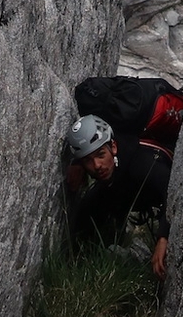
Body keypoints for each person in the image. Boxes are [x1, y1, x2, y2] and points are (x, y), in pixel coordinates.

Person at [65, 112, 172, 278]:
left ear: (113, 147)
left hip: (154, 188)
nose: (97, 165)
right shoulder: (108, 172)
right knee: (84, 216)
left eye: (101, 155)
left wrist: (163, 237)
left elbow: (170, 192)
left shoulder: (143, 165)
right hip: (123, 186)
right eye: (88, 161)